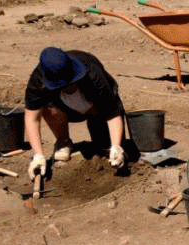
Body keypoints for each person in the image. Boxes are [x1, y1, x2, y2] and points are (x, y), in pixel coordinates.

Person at [25, 47, 126, 181]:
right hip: (63, 110)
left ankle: (100, 131)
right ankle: (63, 142)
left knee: (106, 150)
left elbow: (112, 112)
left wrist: (116, 146)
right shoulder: (39, 80)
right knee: (47, 107)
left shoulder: (92, 72)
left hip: (97, 107)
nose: (69, 87)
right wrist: (38, 155)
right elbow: (32, 118)